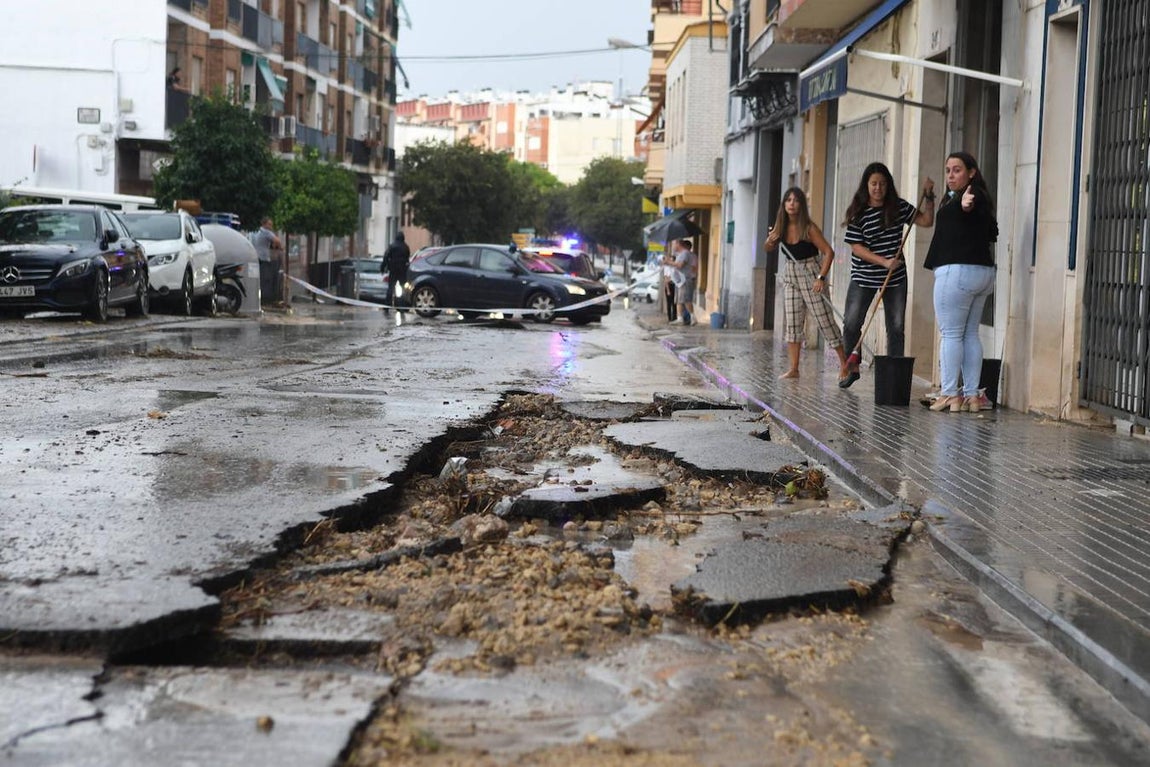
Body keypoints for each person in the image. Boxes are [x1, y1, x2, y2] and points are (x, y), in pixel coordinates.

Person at [839, 162, 935, 388]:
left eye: (882, 184)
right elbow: (856, 247)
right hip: (864, 275)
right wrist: (884, 261)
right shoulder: (858, 211)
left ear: (888, 185)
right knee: (851, 323)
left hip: (895, 278)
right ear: (866, 185)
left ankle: (894, 379)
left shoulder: (898, 207)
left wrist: (929, 197)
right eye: (873, 184)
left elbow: (926, 221)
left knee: (896, 326)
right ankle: (853, 367)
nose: (878, 188)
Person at [923, 151, 999, 413]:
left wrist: (964, 203)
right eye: (948, 170)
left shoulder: (970, 196)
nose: (951, 175)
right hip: (982, 273)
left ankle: (949, 394)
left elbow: (967, 205)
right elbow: (991, 231)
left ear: (971, 172)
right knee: (969, 334)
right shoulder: (981, 200)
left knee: (951, 334)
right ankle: (972, 396)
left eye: (957, 170)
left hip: (956, 273)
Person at [764, 187, 849, 381]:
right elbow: (767, 248)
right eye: (788, 200)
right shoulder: (779, 228)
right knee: (793, 321)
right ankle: (794, 368)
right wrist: (770, 241)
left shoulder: (809, 228)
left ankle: (845, 364)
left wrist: (821, 277)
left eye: (796, 200)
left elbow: (829, 252)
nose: (792, 204)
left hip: (810, 271)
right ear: (784, 204)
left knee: (824, 320)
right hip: (791, 272)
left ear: (801, 204)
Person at [663, 238, 698, 325]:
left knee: (686, 299)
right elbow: (676, 264)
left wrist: (669, 262)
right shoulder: (680, 254)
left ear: (679, 244)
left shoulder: (685, 253)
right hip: (679, 281)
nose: (673, 246)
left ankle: (693, 317)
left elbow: (680, 265)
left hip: (685, 280)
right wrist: (669, 262)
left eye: (674, 244)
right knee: (678, 300)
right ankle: (680, 318)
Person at [382, 231, 410, 311]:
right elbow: (407, 258)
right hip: (402, 270)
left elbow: (386, 257)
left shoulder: (392, 246)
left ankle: (387, 305)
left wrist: (383, 267)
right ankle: (401, 306)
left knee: (391, 288)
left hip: (393, 269)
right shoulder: (406, 247)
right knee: (402, 288)